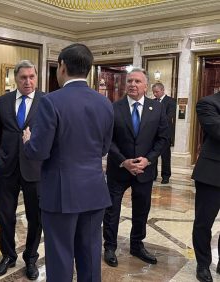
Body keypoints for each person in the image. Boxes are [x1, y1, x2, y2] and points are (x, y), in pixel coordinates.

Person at [23, 44, 114, 281]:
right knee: (91, 253)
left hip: (61, 193)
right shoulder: (105, 103)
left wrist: (27, 141)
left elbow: (38, 151)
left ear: (62, 66)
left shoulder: (51, 101)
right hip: (95, 190)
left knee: (61, 256)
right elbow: (104, 148)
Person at [102, 68, 168, 268]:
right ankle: (110, 247)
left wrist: (148, 160)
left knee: (141, 210)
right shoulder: (114, 108)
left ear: (146, 86)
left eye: (137, 81)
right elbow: (108, 140)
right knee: (111, 210)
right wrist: (124, 161)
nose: (132, 84)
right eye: (129, 80)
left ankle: (137, 245)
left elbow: (163, 138)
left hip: (144, 171)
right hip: (118, 169)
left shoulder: (156, 109)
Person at [0, 60, 43, 280]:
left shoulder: (47, 102)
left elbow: (53, 136)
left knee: (35, 217)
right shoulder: (3, 101)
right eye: (23, 77)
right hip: (7, 169)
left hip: (35, 169)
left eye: (32, 77)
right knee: (5, 216)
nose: (28, 81)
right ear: (16, 79)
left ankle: (30, 258)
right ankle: (8, 256)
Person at [191, 91, 220, 282]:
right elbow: (218, 130)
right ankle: (203, 264)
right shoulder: (207, 103)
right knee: (204, 223)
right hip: (212, 174)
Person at [152, 82, 176, 184]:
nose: (155, 94)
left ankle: (166, 176)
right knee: (153, 155)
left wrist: (154, 120)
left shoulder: (171, 101)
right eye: (153, 92)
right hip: (153, 134)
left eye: (157, 92)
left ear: (162, 90)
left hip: (165, 133)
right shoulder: (152, 102)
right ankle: (153, 175)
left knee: (165, 156)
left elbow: (168, 117)